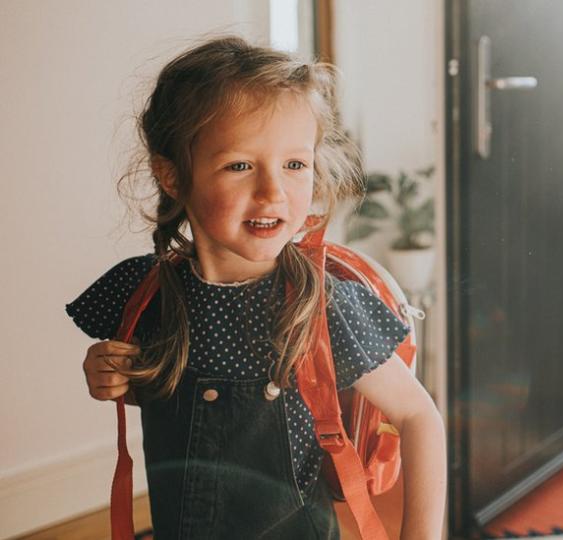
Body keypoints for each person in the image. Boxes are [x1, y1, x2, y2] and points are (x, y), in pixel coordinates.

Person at [64, 35, 446, 539]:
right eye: (240, 165)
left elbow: (419, 418)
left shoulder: (323, 307)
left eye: (294, 165)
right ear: (173, 176)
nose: (272, 191)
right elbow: (179, 408)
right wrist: (110, 377)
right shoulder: (142, 295)